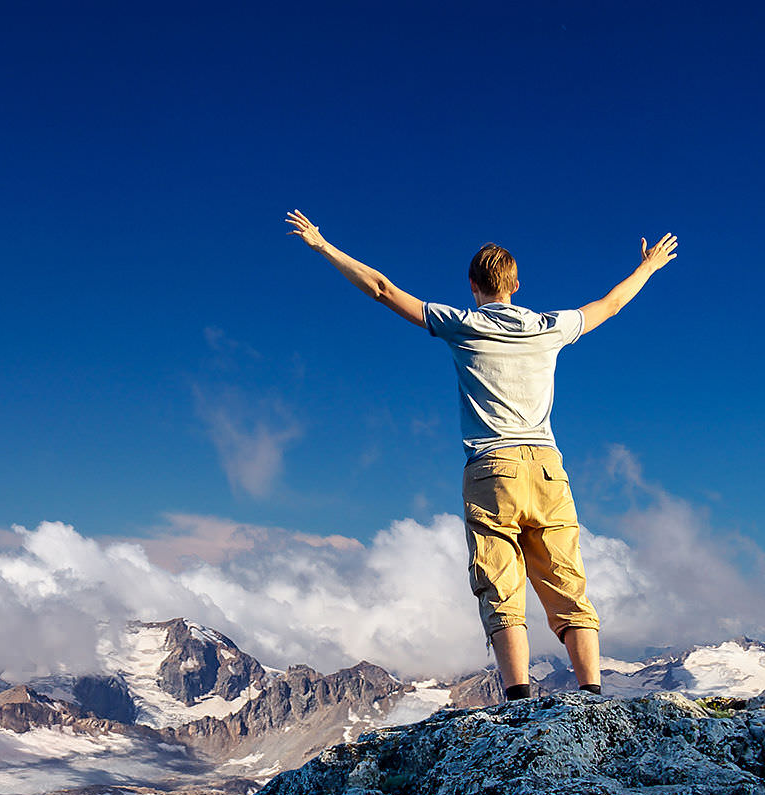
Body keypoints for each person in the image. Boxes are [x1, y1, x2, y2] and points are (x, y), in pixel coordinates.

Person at [285, 210, 676, 700]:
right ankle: (592, 695)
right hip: (548, 467)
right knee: (567, 582)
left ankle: (518, 701)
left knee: (500, 585)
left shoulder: (463, 324)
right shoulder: (550, 327)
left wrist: (323, 246)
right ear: (516, 285)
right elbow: (611, 304)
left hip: (492, 469)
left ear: (473, 285)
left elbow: (383, 289)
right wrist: (648, 266)